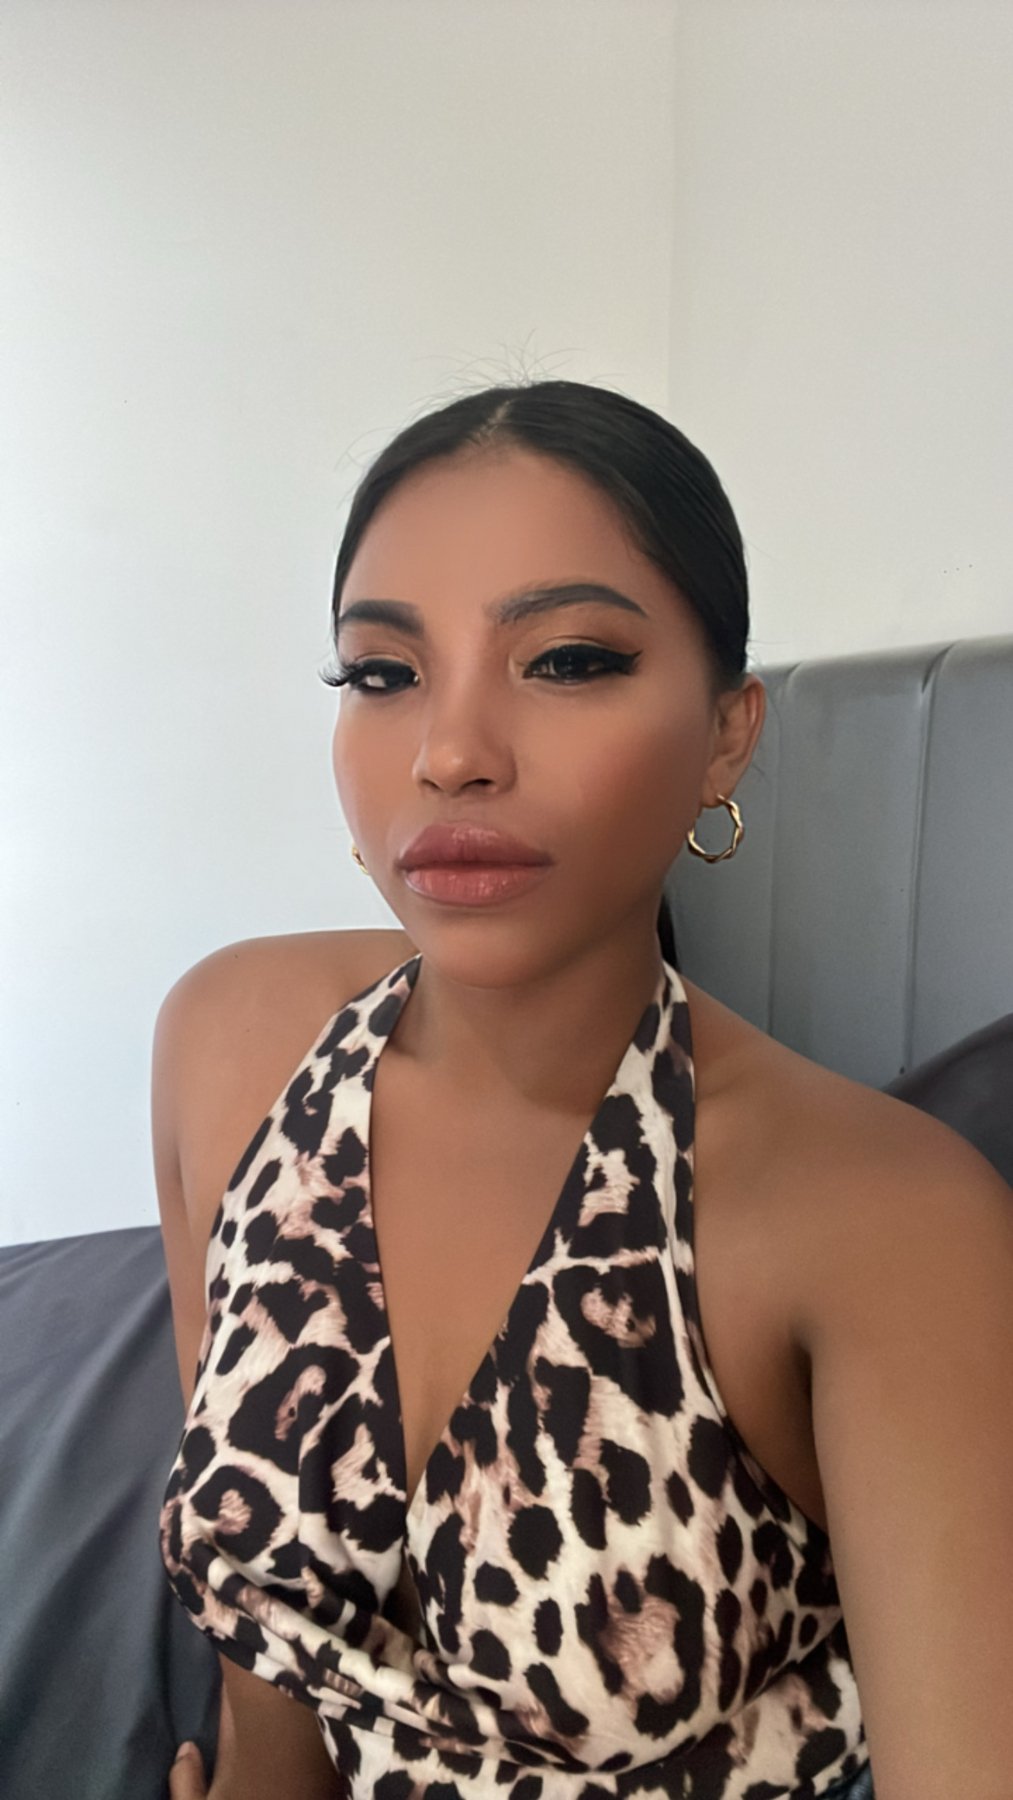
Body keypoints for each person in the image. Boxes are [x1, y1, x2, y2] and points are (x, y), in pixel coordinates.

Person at [156, 380, 1013, 1800]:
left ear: (726, 734)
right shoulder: (231, 1041)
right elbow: (265, 1640)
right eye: (382, 673)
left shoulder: (885, 1223)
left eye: (564, 660)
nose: (448, 753)